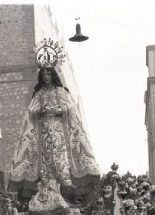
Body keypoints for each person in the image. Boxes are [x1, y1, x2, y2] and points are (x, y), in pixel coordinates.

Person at [8, 65, 99, 198]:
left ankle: (65, 188)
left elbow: (71, 107)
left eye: (48, 74)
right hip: (43, 129)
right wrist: (39, 110)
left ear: (53, 76)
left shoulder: (61, 91)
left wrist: (60, 110)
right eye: (44, 75)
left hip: (59, 128)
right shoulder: (39, 94)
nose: (46, 77)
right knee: (46, 158)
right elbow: (31, 110)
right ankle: (47, 188)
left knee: (60, 155)